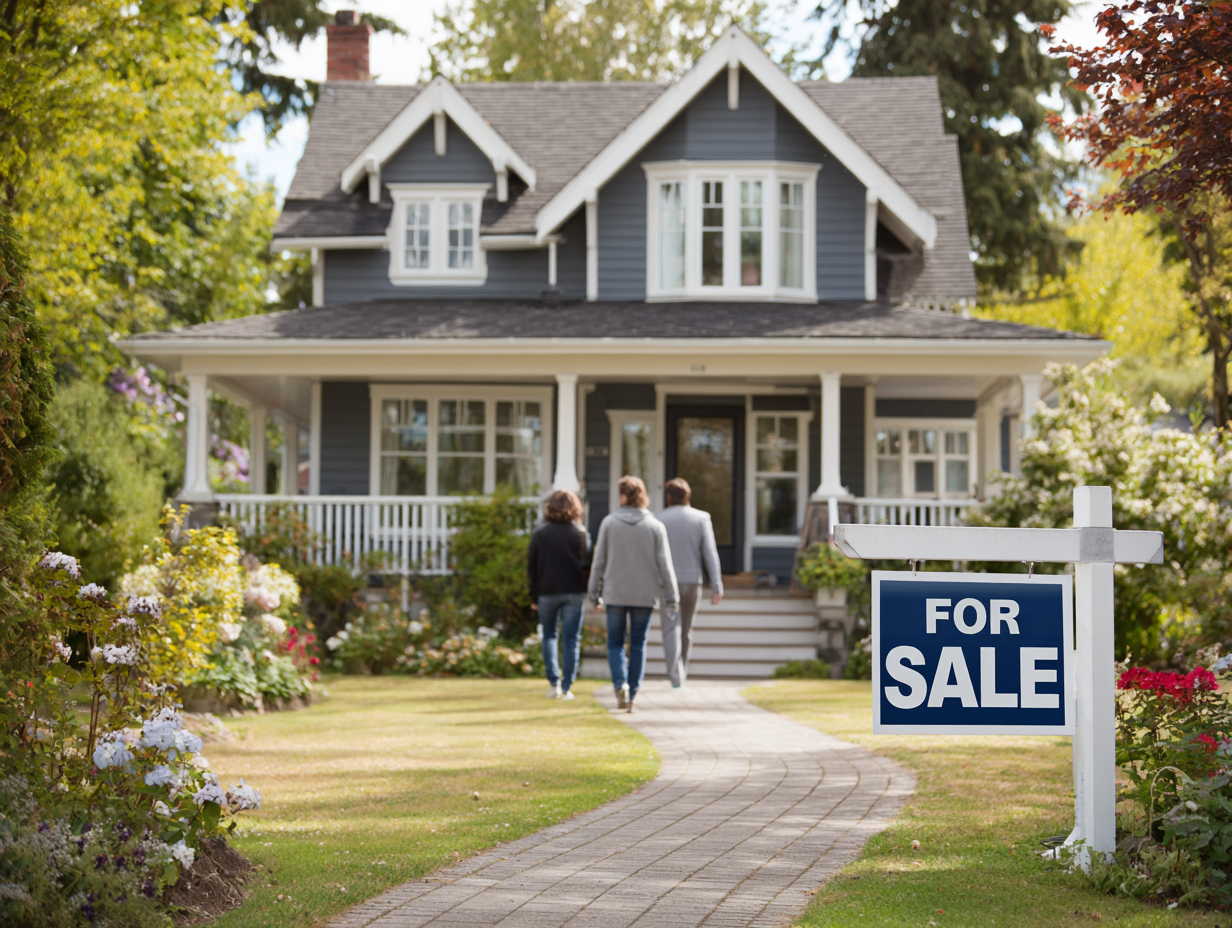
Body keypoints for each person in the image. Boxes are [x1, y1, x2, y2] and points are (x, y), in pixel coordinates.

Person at [588, 475, 678, 713]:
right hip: (644, 595)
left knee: (615, 642)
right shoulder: (655, 526)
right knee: (638, 644)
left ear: (622, 496)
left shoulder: (609, 523)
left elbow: (598, 562)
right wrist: (672, 597)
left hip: (615, 593)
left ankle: (620, 685)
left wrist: (593, 593)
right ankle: (632, 694)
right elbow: (665, 566)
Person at [656, 478, 724, 689]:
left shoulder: (659, 518)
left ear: (668, 497)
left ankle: (675, 677)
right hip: (692, 581)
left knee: (670, 629)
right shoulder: (701, 518)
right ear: (688, 496)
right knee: (686, 629)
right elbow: (710, 553)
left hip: (666, 583)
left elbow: (653, 555)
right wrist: (717, 584)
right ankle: (682, 671)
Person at [527, 489, 590, 700]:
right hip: (573, 592)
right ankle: (567, 687)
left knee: (549, 636)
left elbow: (532, 567)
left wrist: (533, 596)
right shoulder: (580, 533)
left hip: (547, 592)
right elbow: (587, 565)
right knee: (572, 639)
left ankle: (554, 683)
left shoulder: (540, 533)